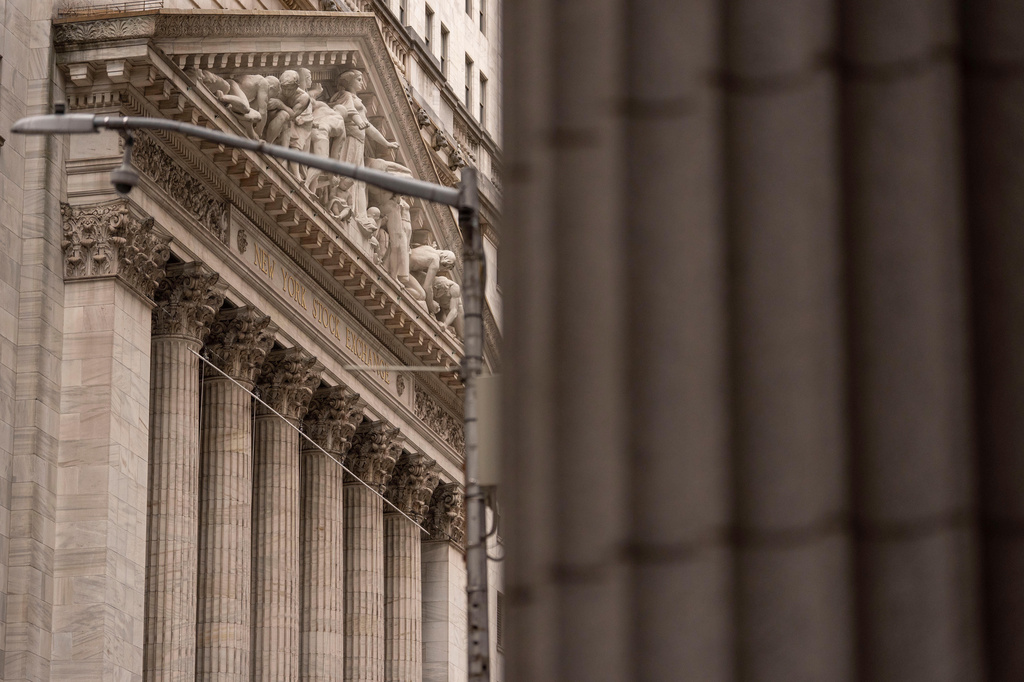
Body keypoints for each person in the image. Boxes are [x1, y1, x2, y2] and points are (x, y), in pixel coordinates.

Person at [329, 69, 399, 219]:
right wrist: (359, 122)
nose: (362, 82)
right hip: (349, 140)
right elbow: (350, 112)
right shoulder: (346, 95)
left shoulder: (357, 100)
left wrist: (386, 143)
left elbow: (369, 128)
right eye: (359, 79)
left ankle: (356, 212)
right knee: (347, 173)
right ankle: (340, 203)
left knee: (358, 179)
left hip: (359, 143)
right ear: (349, 81)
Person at [409, 244, 457, 315]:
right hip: (402, 268)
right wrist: (431, 305)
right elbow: (427, 287)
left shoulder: (429, 248)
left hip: (405, 261)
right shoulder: (435, 262)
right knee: (421, 295)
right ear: (445, 262)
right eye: (445, 268)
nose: (441, 270)